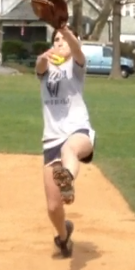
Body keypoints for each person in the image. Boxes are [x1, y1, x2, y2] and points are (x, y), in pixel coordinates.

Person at [35, 25, 96, 258]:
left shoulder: (76, 66)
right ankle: (63, 235)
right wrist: (44, 56)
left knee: (69, 148)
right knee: (53, 207)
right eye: (57, 39)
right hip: (51, 139)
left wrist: (67, 32)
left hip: (78, 131)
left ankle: (67, 178)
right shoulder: (47, 66)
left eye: (65, 39)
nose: (61, 42)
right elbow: (39, 67)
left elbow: (78, 51)